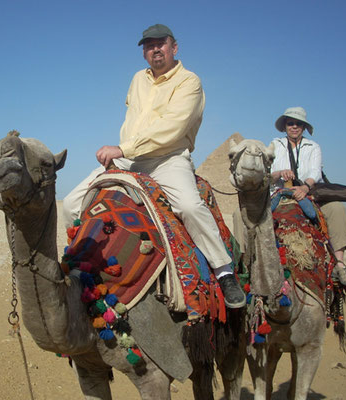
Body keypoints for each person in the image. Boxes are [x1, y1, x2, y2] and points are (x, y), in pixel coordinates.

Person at [63, 24, 246, 308]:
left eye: (161, 43)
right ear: (144, 52)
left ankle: (223, 271)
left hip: (167, 158)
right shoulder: (138, 78)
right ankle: (81, 264)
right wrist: (124, 151)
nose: (155, 49)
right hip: (129, 159)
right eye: (149, 45)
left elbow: (171, 129)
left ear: (174, 47)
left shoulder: (189, 81)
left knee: (188, 206)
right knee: (72, 203)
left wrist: (122, 148)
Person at [270, 106, 346, 286]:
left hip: (307, 194)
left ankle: (340, 265)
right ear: (285, 126)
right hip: (279, 194)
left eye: (298, 124)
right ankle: (244, 267)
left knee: (336, 208)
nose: (294, 127)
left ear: (304, 127)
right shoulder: (274, 145)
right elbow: (266, 173)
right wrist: (279, 173)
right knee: (244, 216)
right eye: (290, 123)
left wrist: (305, 187)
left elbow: (316, 171)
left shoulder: (313, 147)